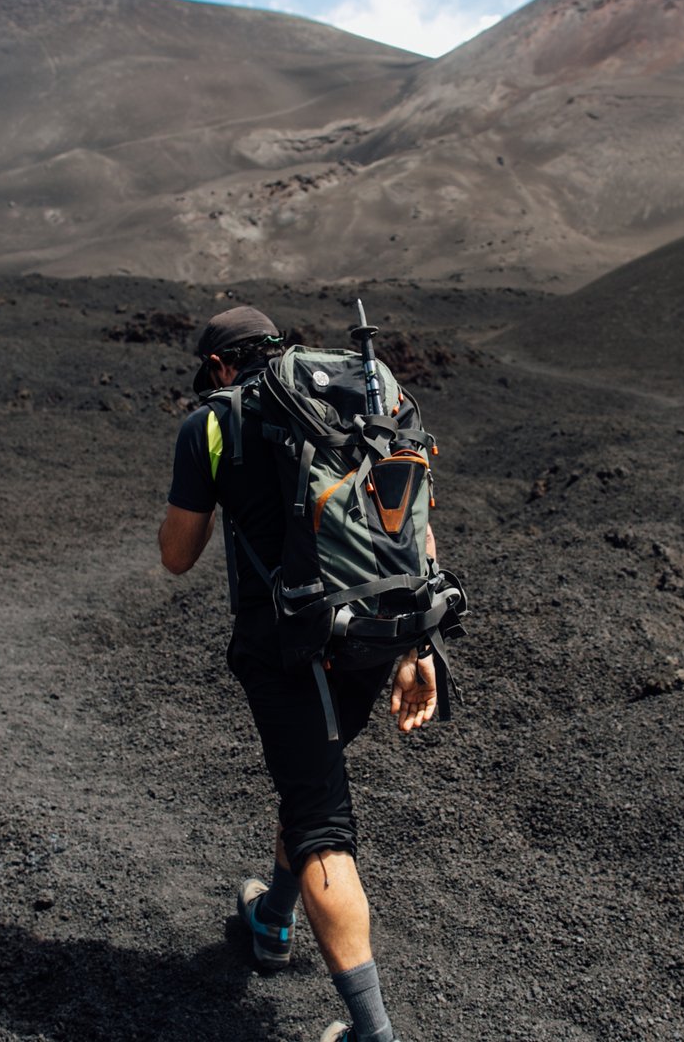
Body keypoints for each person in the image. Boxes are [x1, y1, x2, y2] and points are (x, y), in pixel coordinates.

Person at [158, 305, 439, 1042]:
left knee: (320, 822)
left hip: (288, 648)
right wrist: (420, 649)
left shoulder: (212, 424)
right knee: (308, 776)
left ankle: (374, 1034)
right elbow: (410, 523)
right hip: (377, 631)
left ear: (221, 365)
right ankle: (273, 924)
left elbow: (176, 554)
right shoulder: (360, 392)